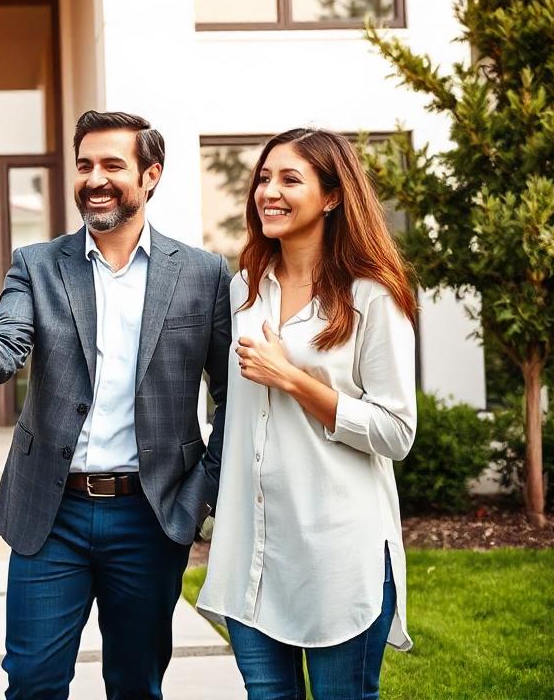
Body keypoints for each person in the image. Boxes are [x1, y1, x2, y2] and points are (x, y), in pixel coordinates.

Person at [0, 110, 232, 700]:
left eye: (113, 164)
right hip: (50, 512)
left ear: (151, 176)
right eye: (84, 164)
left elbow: (230, 394)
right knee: (33, 683)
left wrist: (202, 491)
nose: (95, 178)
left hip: (152, 514)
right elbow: (5, 349)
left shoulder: (203, 273)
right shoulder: (37, 264)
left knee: (136, 684)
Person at [196, 128, 417, 700]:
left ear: (333, 196)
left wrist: (293, 379)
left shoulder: (372, 295)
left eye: (290, 179)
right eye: (264, 178)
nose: (268, 191)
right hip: (252, 551)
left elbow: (396, 432)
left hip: (337, 554)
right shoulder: (243, 289)